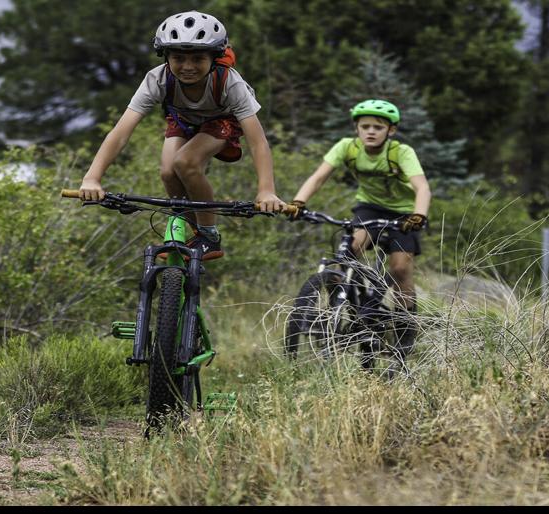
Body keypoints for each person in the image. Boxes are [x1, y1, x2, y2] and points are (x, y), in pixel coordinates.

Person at [76, 11, 284, 258]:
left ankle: (209, 235)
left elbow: (258, 143)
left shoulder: (230, 83)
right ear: (166, 57)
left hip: (222, 120)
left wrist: (266, 191)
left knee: (185, 162)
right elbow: (120, 133)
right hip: (182, 120)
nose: (187, 67)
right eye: (178, 58)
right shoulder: (157, 79)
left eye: (198, 58)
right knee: (167, 172)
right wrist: (92, 178)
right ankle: (189, 228)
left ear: (214, 57)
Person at [287, 99, 431, 320]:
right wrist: (298, 202)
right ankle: (343, 309)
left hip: (404, 213)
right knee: (349, 251)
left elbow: (422, 187)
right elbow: (318, 178)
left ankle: (405, 326)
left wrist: (418, 215)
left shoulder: (401, 152)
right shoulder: (347, 147)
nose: (371, 131)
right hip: (369, 207)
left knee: (400, 269)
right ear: (357, 128)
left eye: (378, 127)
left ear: (391, 130)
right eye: (365, 126)